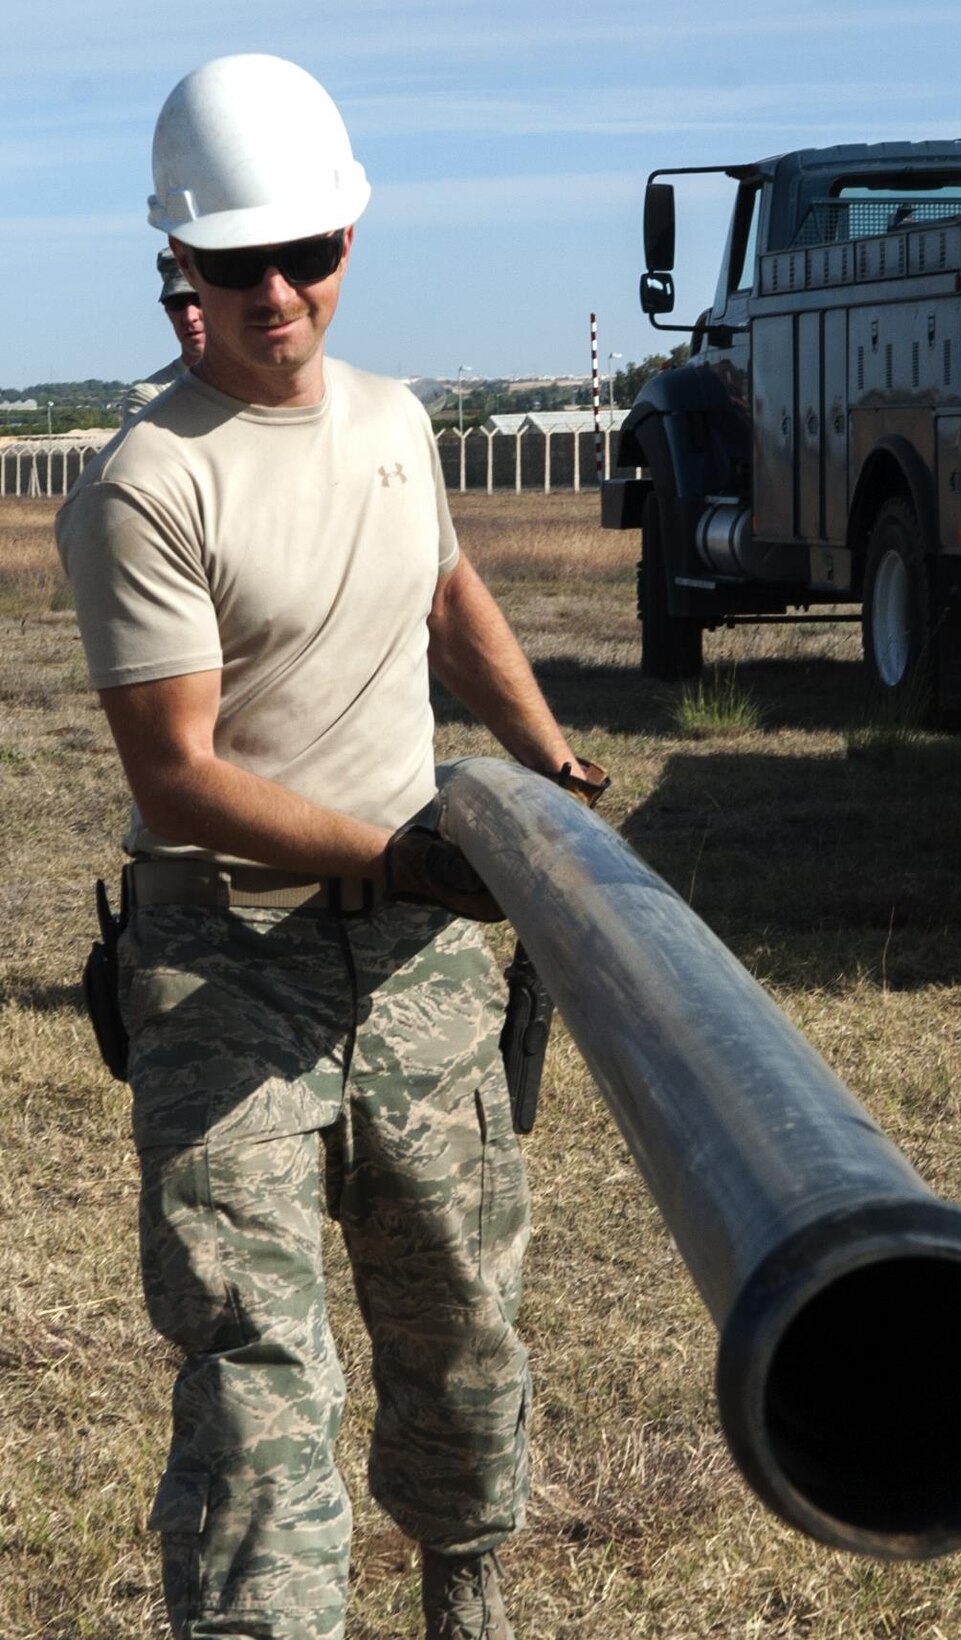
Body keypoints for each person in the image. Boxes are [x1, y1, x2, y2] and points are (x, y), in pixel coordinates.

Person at [56, 54, 604, 1640]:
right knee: (257, 1367)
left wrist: (549, 763)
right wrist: (408, 856)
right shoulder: (147, 489)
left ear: (350, 246)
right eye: (239, 263)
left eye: (309, 255)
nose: (280, 291)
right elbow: (178, 778)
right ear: (184, 272)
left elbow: (447, 600)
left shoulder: (394, 423)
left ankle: (467, 1601)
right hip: (231, 970)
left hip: (421, 966)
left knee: (461, 1323)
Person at [119, 248, 205, 421]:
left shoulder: (268, 385)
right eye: (176, 303)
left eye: (198, 299)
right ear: (167, 311)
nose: (190, 317)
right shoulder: (150, 398)